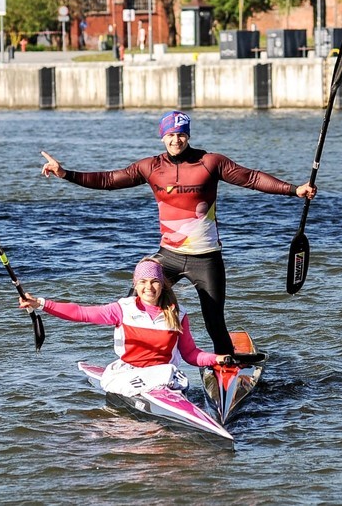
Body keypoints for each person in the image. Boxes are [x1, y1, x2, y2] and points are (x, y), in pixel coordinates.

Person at [39, 111, 316, 355]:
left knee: (214, 321)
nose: (176, 140)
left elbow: (252, 178)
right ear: (162, 137)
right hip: (168, 257)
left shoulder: (211, 162)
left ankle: (225, 366)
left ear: (188, 135)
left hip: (205, 258)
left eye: (181, 134)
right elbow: (109, 180)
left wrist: (294, 189)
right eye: (170, 135)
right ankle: (136, 359)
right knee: (133, 303)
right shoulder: (150, 167)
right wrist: (66, 173)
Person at [18, 258, 229, 397]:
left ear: (162, 285)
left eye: (155, 281)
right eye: (143, 282)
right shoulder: (122, 309)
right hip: (130, 374)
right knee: (165, 373)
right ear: (135, 285)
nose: (149, 287)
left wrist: (217, 359)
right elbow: (81, 313)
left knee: (167, 372)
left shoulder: (178, 314)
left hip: (165, 376)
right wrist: (42, 303)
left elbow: (191, 354)